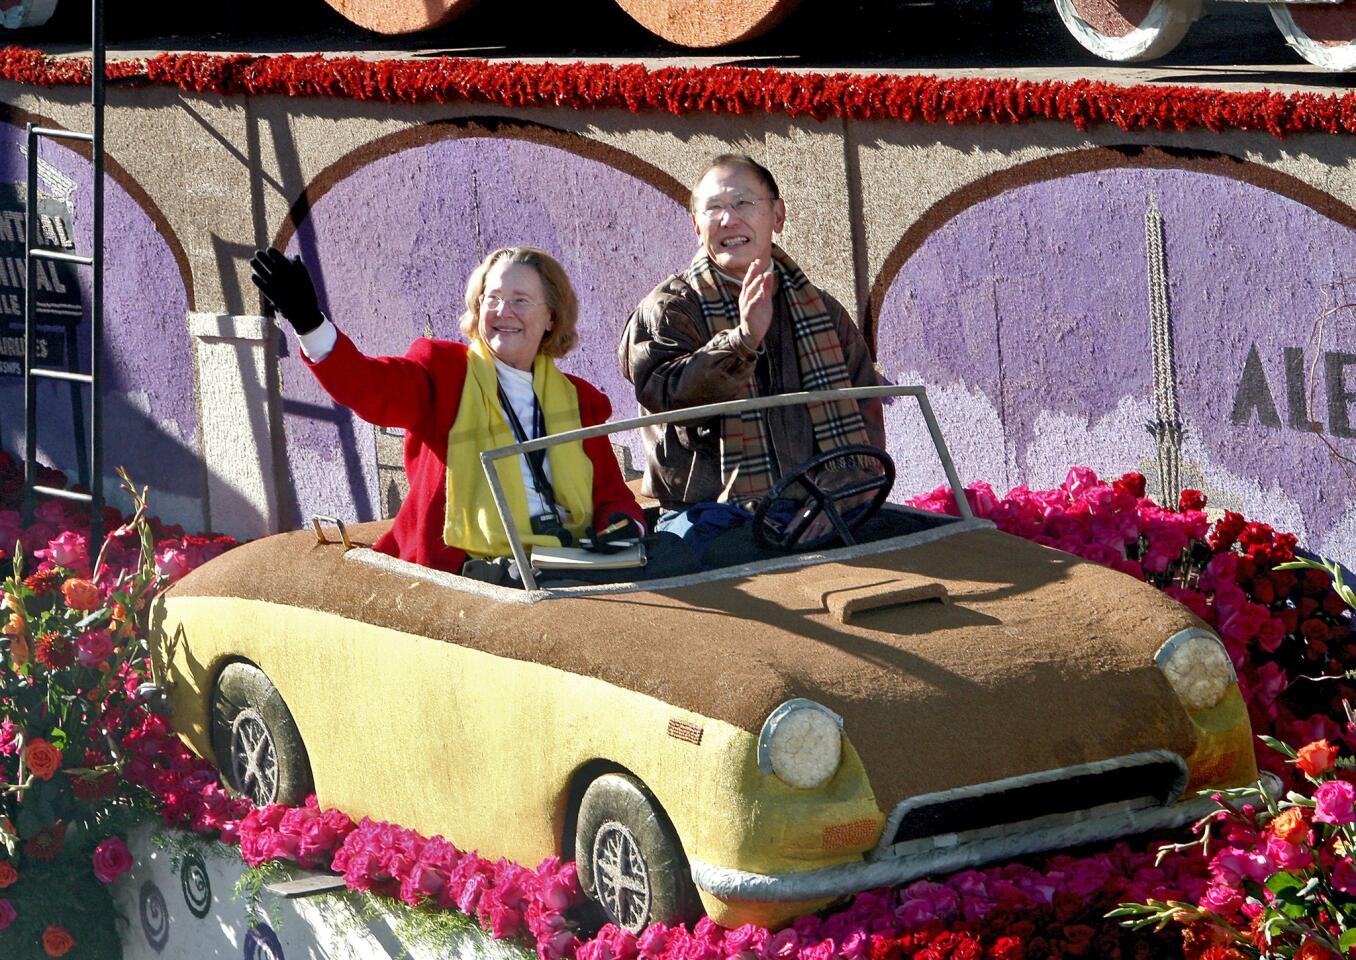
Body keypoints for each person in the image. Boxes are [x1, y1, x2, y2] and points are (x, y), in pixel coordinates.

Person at [250, 245, 645, 577]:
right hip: (469, 574)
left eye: (520, 300)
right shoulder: (442, 371)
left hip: (567, 565)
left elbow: (612, 496)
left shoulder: (579, 400)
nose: (503, 312)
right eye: (493, 298)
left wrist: (620, 528)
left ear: (551, 318)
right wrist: (310, 323)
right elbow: (369, 387)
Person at [618, 154, 886, 535]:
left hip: (819, 511)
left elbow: (865, 415)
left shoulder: (822, 310)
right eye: (713, 209)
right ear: (696, 226)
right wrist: (742, 342)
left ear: (778, 215)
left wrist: (838, 500)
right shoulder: (669, 310)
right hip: (709, 518)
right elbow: (670, 401)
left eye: (743, 203)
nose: (729, 219)